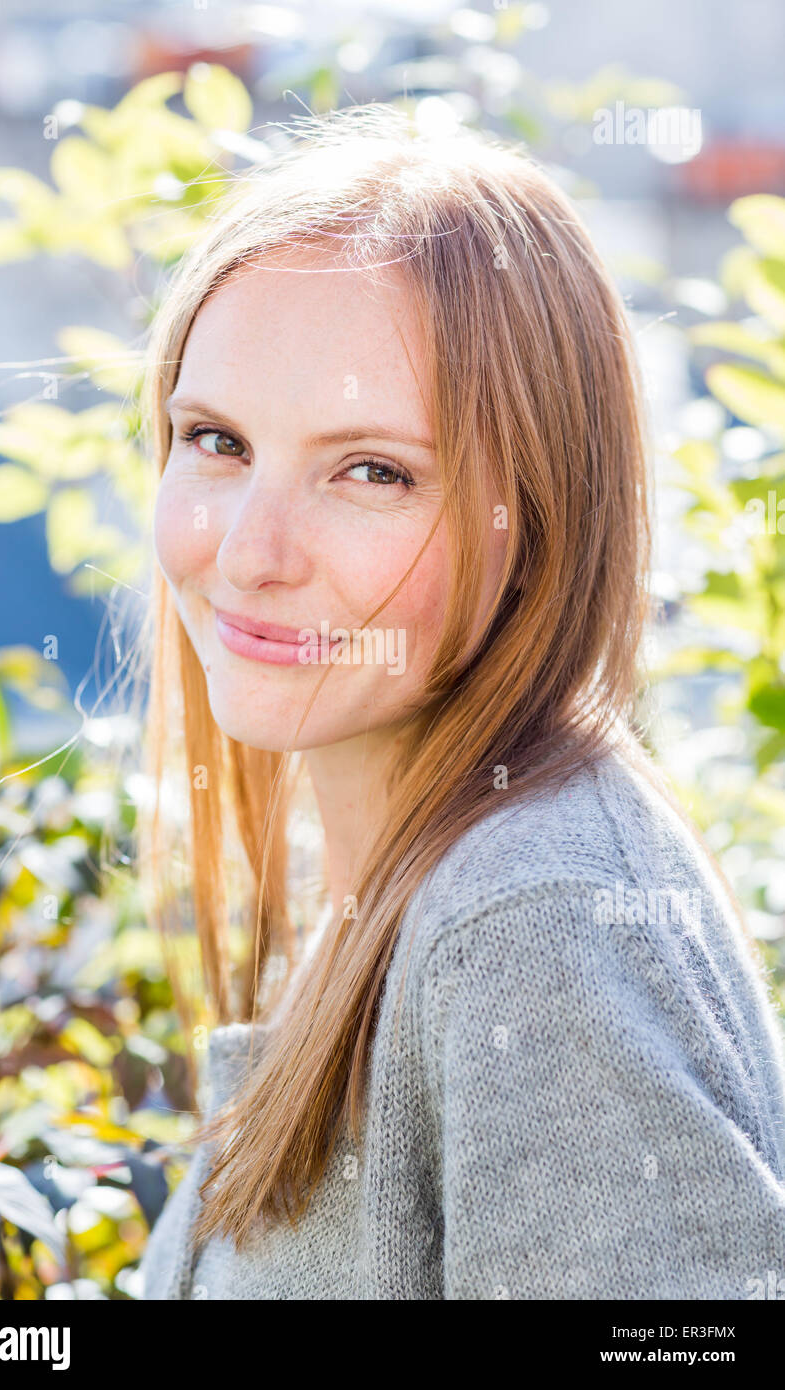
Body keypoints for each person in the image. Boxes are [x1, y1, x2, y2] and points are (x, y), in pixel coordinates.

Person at [136, 105, 785, 1299]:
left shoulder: (531, 923)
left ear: (534, 519)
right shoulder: (422, 872)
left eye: (371, 471)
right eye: (215, 441)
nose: (248, 551)